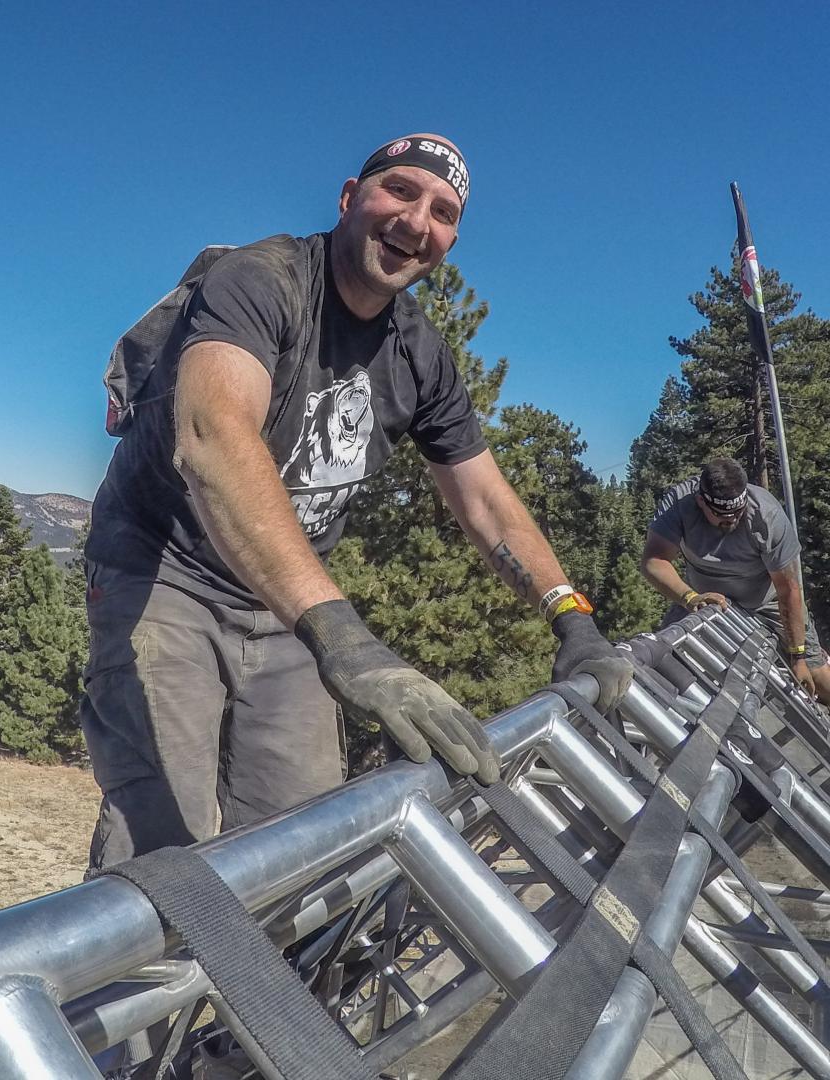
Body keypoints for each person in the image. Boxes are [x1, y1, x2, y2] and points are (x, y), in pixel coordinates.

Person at [80, 133, 632, 870]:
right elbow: (212, 435)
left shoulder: (419, 354)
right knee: (163, 845)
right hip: (164, 574)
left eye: (442, 212)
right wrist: (344, 639)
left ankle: (267, 982)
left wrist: (571, 615)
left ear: (450, 241)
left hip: (285, 610)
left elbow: (485, 499)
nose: (416, 221)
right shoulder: (261, 281)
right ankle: (128, 985)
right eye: (399, 192)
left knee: (301, 838)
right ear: (348, 198)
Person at [641, 457, 830, 703]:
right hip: (702, 598)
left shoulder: (766, 513)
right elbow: (654, 561)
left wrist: (799, 658)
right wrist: (689, 598)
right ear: (700, 501)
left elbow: (789, 589)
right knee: (664, 661)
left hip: (768, 602)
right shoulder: (679, 502)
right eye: (720, 515)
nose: (730, 520)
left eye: (737, 513)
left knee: (818, 679)